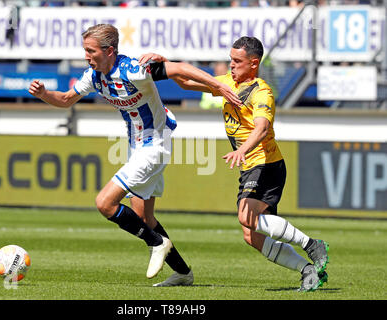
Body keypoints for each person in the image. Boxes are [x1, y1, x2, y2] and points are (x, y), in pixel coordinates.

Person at [28, 24, 240, 287]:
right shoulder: (94, 76)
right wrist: (44, 94)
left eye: (90, 51)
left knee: (105, 203)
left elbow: (180, 68)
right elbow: (66, 99)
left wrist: (220, 87)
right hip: (138, 146)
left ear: (109, 51)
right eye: (85, 50)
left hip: (155, 145)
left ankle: (157, 243)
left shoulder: (133, 69)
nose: (86, 56)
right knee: (143, 218)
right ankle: (183, 273)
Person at [139, 37, 330, 292]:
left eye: (237, 61)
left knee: (245, 216)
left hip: (266, 164)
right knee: (251, 235)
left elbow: (262, 128)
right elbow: (186, 83)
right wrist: (169, 65)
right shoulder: (229, 83)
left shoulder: (262, 91)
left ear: (253, 64)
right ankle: (307, 271)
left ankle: (312, 245)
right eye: (231, 59)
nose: (231, 65)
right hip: (251, 165)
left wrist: (242, 149)